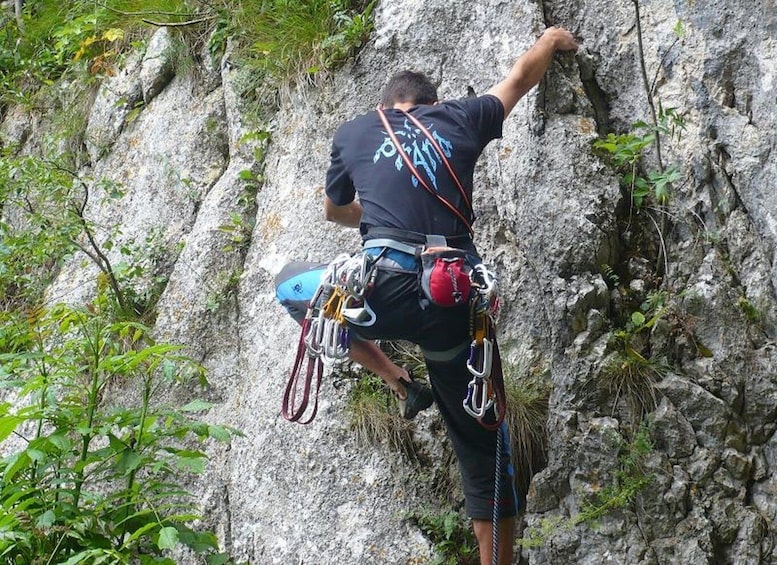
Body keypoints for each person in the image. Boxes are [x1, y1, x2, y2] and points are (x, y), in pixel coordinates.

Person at [278, 26, 578, 565]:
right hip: (451, 302)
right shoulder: (461, 117)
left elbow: (333, 211)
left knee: (291, 284)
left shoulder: (354, 131)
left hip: (379, 293)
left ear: (384, 105)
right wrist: (553, 40)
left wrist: (380, 213)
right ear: (432, 104)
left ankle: (400, 382)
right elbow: (518, 77)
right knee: (482, 434)